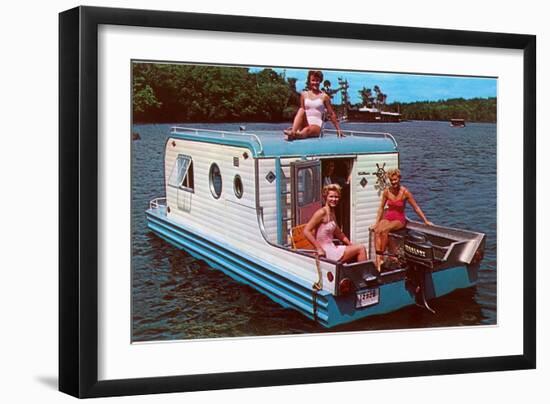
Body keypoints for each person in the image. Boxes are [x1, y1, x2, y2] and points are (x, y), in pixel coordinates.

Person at [370, 168, 434, 272]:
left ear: (399, 179)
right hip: (388, 217)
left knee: (385, 230)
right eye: (392, 180)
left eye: (395, 180)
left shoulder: (405, 192)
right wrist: (376, 223)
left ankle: (381, 257)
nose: (394, 182)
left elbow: (416, 207)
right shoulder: (387, 191)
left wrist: (425, 221)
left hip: (399, 219)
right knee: (377, 230)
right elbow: (381, 207)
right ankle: (379, 260)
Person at [303, 184, 367, 263]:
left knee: (357, 248)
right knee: (361, 248)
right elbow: (306, 231)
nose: (334, 199)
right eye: (331, 196)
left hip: (332, 248)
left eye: (336, 197)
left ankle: (358, 274)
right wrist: (318, 248)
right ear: (325, 197)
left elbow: (339, 233)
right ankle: (365, 274)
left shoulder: (332, 212)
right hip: (325, 251)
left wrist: (350, 244)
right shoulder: (321, 212)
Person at [284, 70, 343, 141]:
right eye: (313, 80)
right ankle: (294, 131)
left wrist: (338, 130)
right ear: (309, 81)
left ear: (320, 81)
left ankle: (296, 134)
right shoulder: (304, 95)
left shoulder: (324, 96)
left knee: (307, 130)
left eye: (317, 80)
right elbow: (301, 113)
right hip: (304, 124)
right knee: (301, 110)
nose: (315, 83)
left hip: (316, 126)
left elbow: (331, 113)